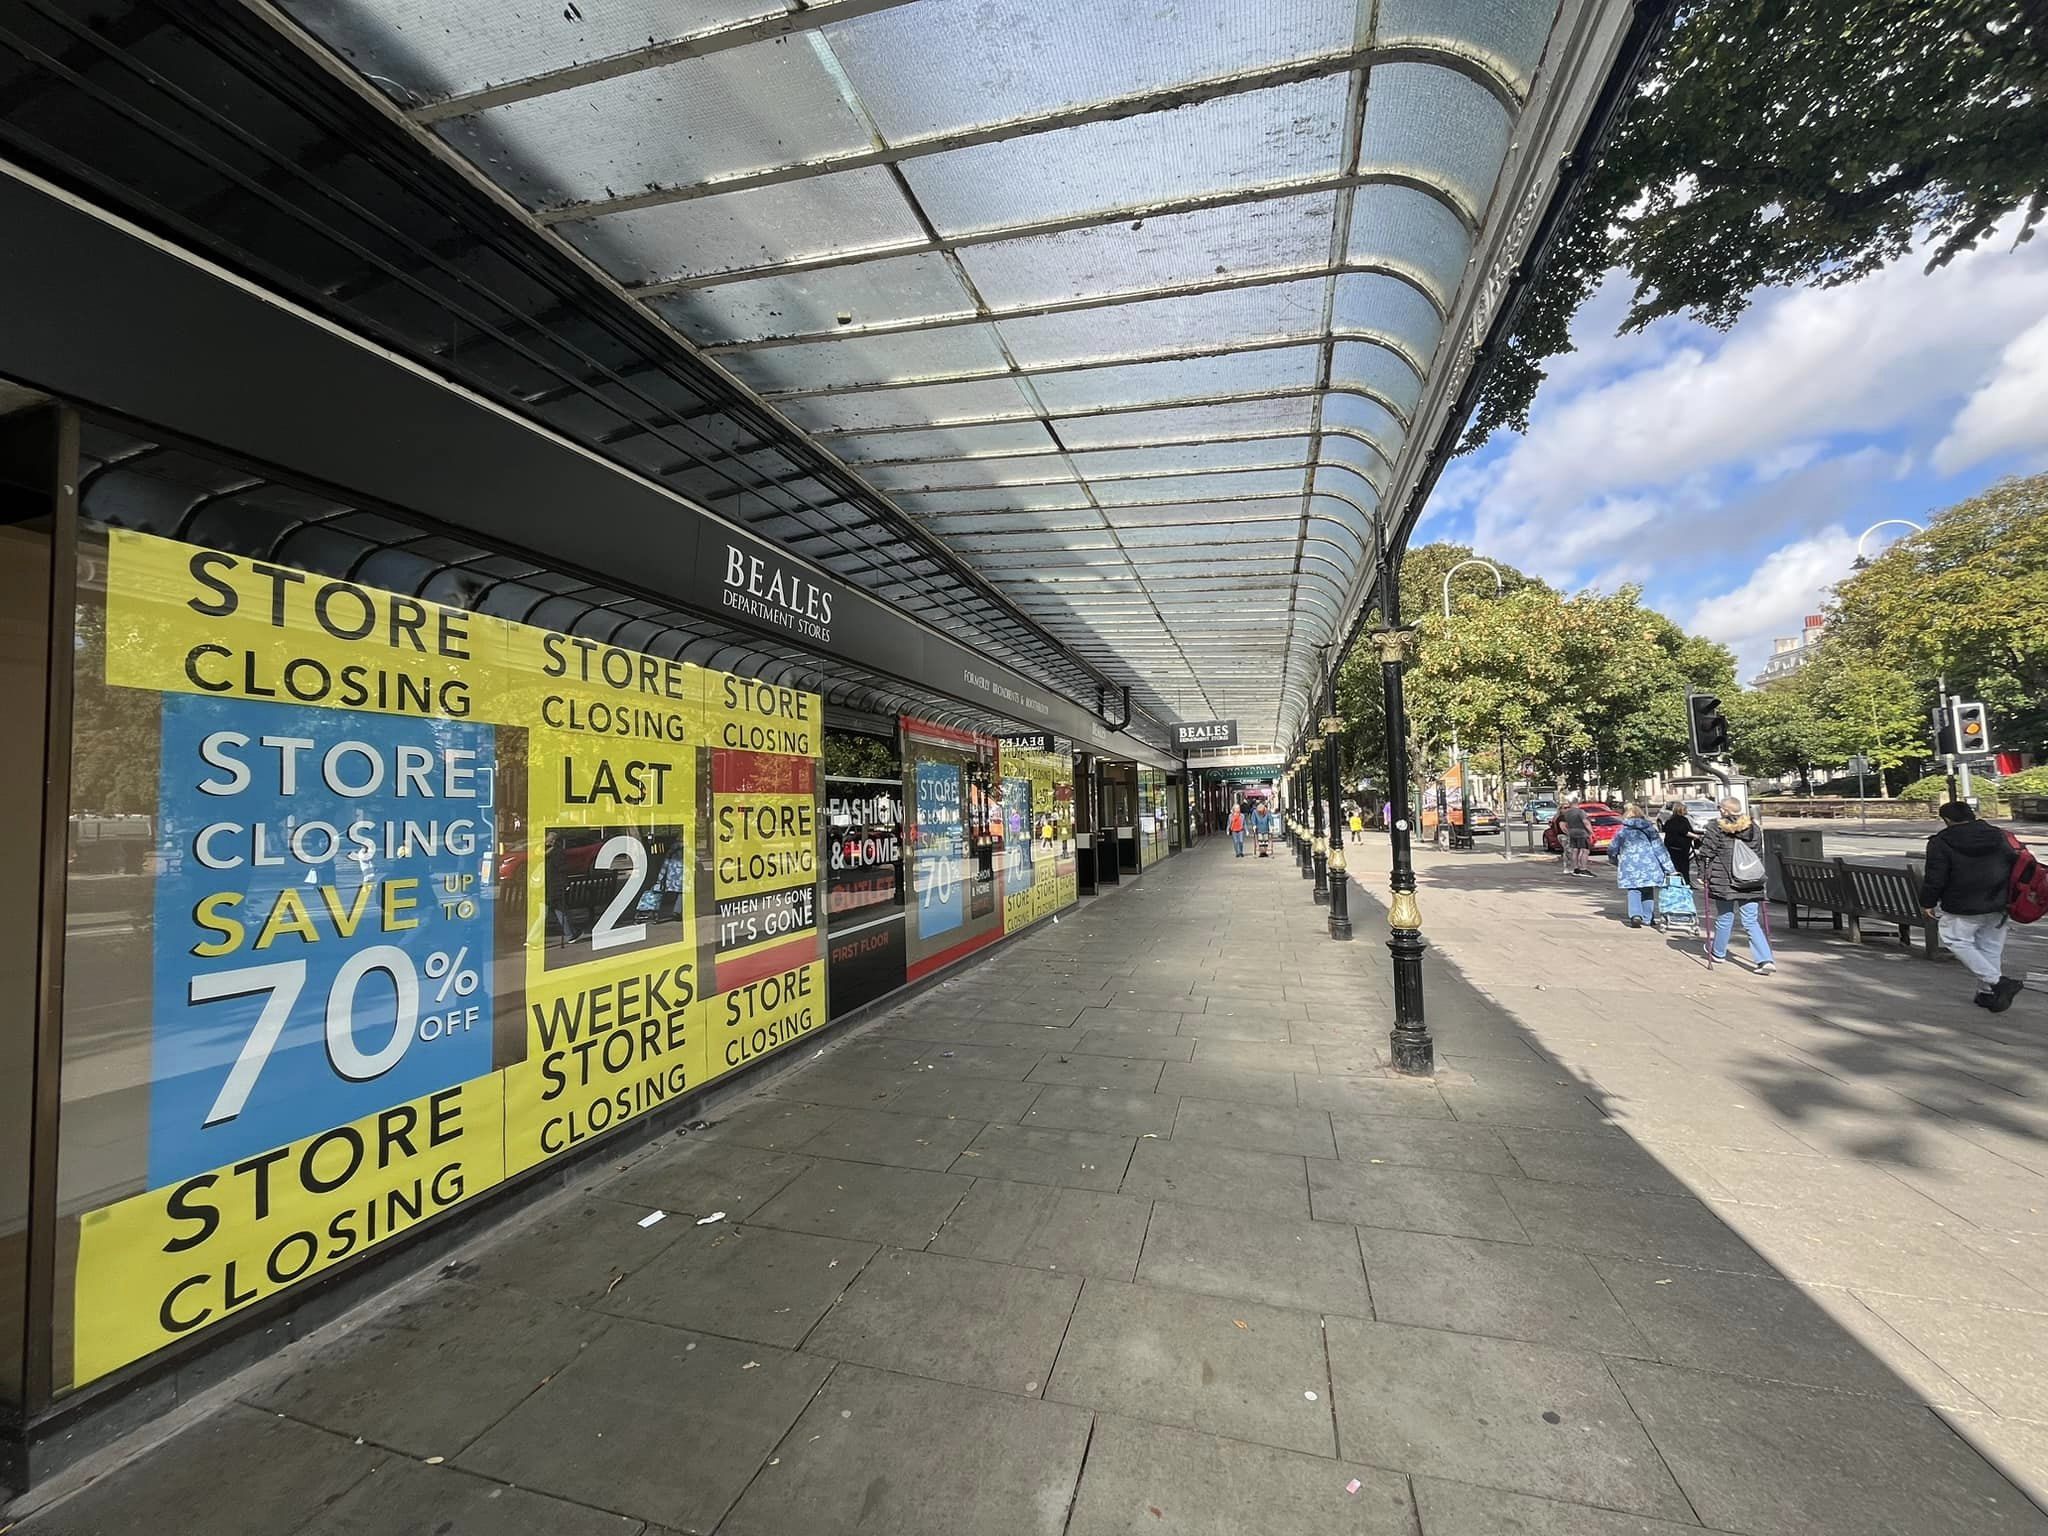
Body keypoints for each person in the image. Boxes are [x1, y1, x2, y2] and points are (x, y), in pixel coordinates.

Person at [1918, 800, 2023, 1011]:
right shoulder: (1999, 835)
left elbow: (1935, 877)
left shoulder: (1941, 842)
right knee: (1991, 947)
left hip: (1961, 903)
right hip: (1998, 901)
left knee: (1955, 940)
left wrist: (1927, 902)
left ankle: (1997, 982)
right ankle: (1987, 993)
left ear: (1947, 820)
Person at [1696, 798, 1774, 973]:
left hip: (1724, 880)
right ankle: (1765, 959)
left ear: (1724, 810)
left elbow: (1706, 854)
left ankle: (1718, 953)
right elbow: (1758, 853)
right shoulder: (1753, 827)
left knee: (1725, 916)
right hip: (1750, 879)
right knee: (1751, 920)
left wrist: (1703, 875)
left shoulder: (1715, 827)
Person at [1610, 803, 1675, 928]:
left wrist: (1613, 859)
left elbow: (1613, 847)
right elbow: (1659, 849)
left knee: (1633, 890)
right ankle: (1647, 917)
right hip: (1650, 865)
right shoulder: (1650, 830)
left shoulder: (1622, 831)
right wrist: (1669, 868)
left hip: (1630, 866)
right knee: (1648, 890)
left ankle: (1635, 915)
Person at [1661, 800, 1695, 883]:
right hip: (1681, 846)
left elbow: (1664, 829)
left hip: (1670, 845)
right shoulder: (1683, 820)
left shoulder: (1670, 820)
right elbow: (1685, 832)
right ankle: (1685, 881)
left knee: (1674, 864)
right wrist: (1697, 836)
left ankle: (1674, 881)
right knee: (1683, 865)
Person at [1560, 801, 1592, 875]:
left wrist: (1568, 832)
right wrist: (1591, 832)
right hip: (1582, 832)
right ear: (1577, 804)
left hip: (1572, 833)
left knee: (1575, 850)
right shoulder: (1580, 812)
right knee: (1585, 851)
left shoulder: (1567, 814)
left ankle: (1576, 868)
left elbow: (1564, 825)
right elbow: (1585, 822)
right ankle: (1583, 869)